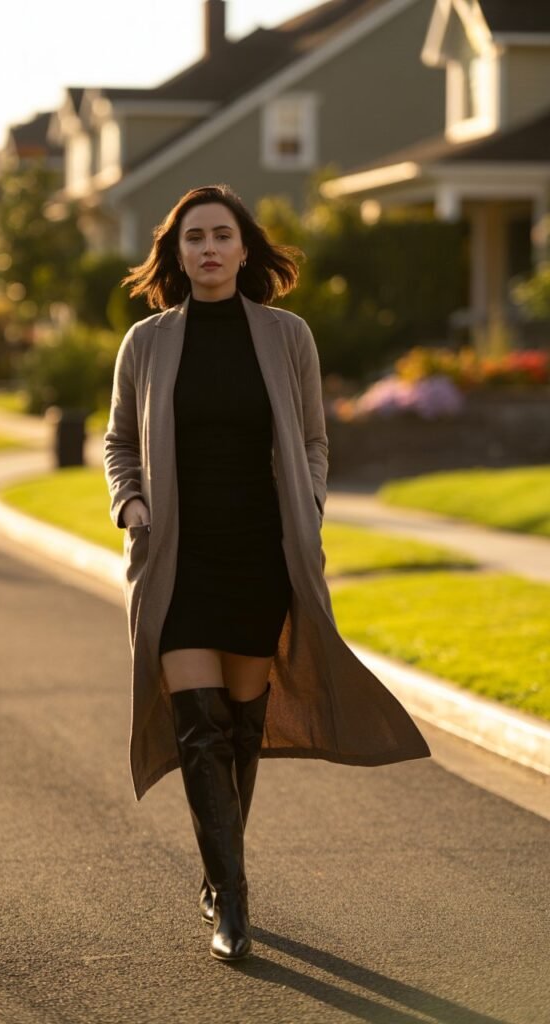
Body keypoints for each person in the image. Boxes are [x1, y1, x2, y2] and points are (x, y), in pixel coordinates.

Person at [104, 183, 430, 964]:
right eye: (193, 239)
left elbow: (315, 440)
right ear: (175, 255)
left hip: (259, 553)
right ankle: (234, 904)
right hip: (178, 558)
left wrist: (310, 505)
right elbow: (120, 443)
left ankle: (221, 875)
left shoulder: (287, 336)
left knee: (242, 727)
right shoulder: (146, 343)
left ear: (245, 249)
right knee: (198, 727)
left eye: (221, 235)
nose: (208, 249)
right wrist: (133, 507)